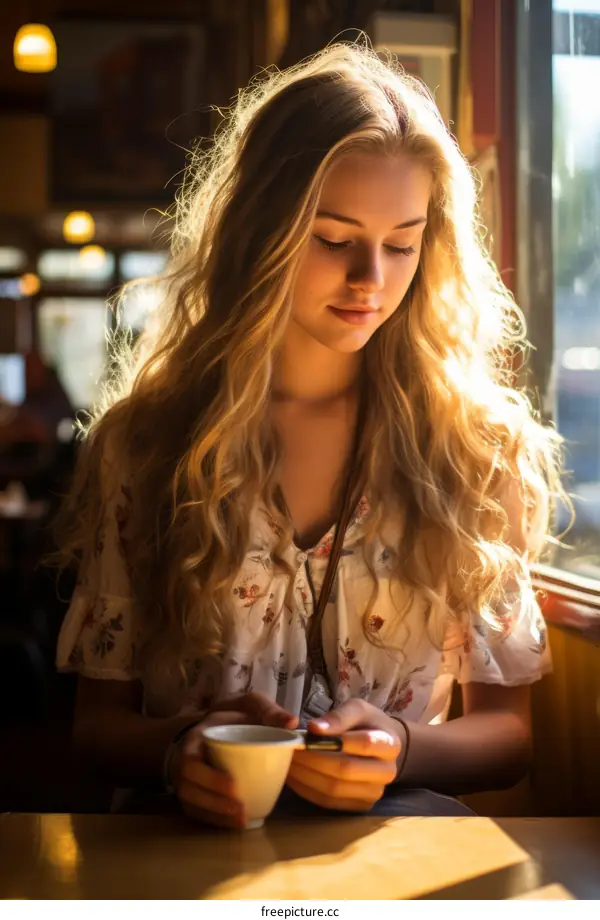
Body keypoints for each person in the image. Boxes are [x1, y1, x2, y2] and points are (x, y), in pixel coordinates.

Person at [54, 42, 568, 827]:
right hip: (186, 854)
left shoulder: (474, 452)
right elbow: (93, 729)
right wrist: (177, 752)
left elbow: (508, 739)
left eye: (402, 243)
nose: (372, 279)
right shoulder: (150, 444)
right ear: (263, 231)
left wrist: (399, 746)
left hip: (397, 861)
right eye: (334, 239)